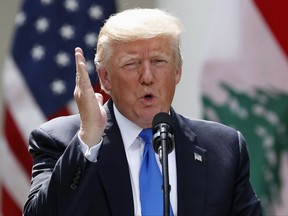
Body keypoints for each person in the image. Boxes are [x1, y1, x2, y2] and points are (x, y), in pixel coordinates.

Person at [23, 8, 262, 215]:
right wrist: (89, 138)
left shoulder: (224, 148)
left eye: (159, 61)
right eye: (131, 63)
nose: (147, 77)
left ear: (177, 70)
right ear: (105, 77)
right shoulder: (61, 140)